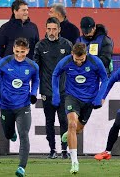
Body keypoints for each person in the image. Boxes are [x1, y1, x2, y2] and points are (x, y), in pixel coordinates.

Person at [52, 43, 108, 174]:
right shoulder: (66, 61)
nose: (78, 62)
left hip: (89, 100)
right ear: (72, 54)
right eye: (76, 60)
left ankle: (70, 133)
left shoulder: (95, 62)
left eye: (81, 60)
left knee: (78, 129)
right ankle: (74, 162)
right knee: (71, 124)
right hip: (72, 97)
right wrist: (55, 94)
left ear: (86, 55)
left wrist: (99, 97)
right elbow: (55, 74)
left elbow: (105, 79)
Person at [0, 37, 39, 177]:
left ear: (28, 51)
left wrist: (34, 93)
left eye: (23, 52)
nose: (19, 55)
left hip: (23, 106)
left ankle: (22, 167)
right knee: (8, 134)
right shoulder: (4, 62)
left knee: (24, 135)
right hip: (6, 106)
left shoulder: (33, 66)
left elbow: (36, 80)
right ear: (13, 49)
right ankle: (11, 133)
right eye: (17, 51)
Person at [33, 17, 73, 159]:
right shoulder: (40, 46)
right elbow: (35, 68)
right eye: (49, 29)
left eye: (54, 29)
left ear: (59, 30)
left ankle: (64, 150)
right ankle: (52, 149)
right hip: (46, 90)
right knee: (49, 121)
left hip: (63, 91)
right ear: (45, 29)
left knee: (64, 120)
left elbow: (73, 67)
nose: (51, 32)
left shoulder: (67, 45)